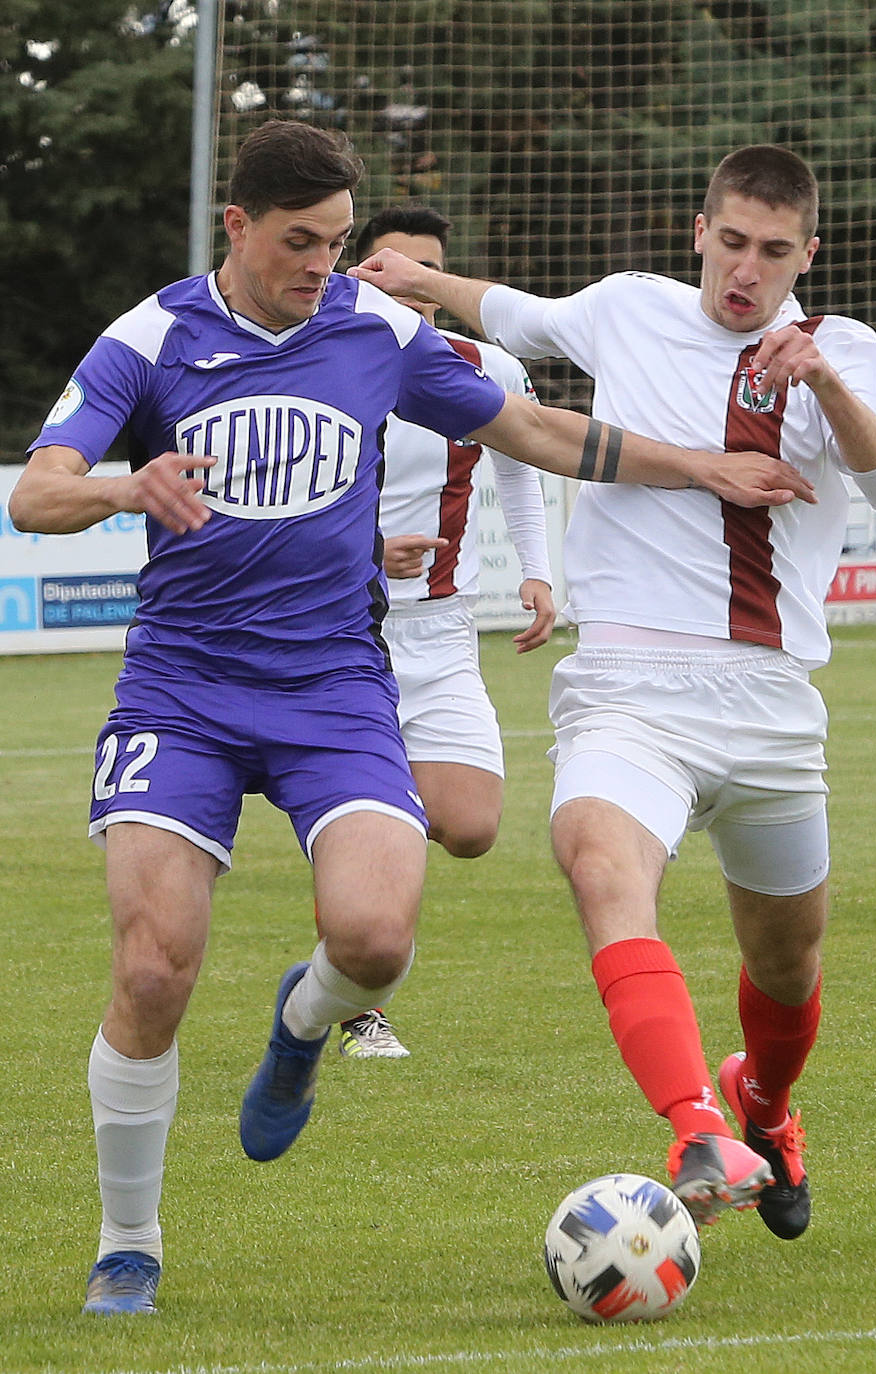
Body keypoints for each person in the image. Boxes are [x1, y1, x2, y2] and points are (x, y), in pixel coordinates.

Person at [8, 122, 813, 1316]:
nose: (320, 267)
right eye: (298, 243)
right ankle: (131, 1238)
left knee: (378, 938)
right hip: (182, 689)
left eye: (337, 242)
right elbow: (36, 492)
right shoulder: (151, 336)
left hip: (335, 683)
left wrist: (703, 466)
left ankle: (300, 1027)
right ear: (236, 227)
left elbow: (534, 431)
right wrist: (126, 482)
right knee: (152, 966)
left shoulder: (376, 328)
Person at [352, 144, 876, 1239]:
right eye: (733, 243)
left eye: (774, 252)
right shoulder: (626, 309)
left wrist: (828, 384)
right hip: (624, 688)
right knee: (600, 863)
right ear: (700, 231)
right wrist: (404, 282)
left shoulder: (835, 347)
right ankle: (697, 1124)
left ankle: (765, 1105)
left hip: (767, 701)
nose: (746, 271)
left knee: (788, 969)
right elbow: (506, 310)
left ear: (810, 253)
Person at [336, 205, 556, 1060]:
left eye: (430, 276)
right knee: (375, 818)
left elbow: (523, 462)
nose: (416, 294)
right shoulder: (325, 360)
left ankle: (352, 855)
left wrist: (536, 571)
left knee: (469, 826)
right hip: (344, 631)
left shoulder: (484, 366)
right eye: (399, 272)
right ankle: (361, 1007)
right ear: (361, 274)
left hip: (444, 630)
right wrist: (363, 552)